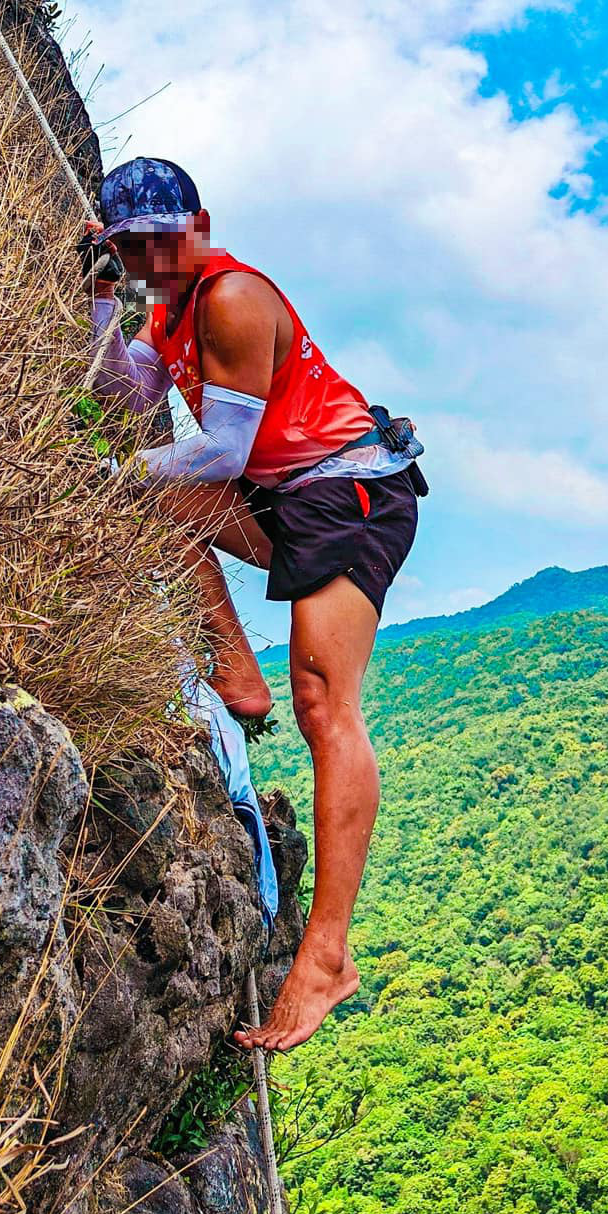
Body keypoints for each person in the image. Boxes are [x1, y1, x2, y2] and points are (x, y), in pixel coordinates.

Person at [81, 156, 425, 1052]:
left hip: (349, 491)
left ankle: (327, 954)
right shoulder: (169, 309)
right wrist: (96, 301)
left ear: (196, 224)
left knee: (326, 704)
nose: (151, 258)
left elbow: (225, 451)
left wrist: (109, 474)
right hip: (288, 493)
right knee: (149, 494)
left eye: (161, 240)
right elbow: (126, 399)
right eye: (132, 248)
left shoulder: (230, 297)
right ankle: (237, 669)